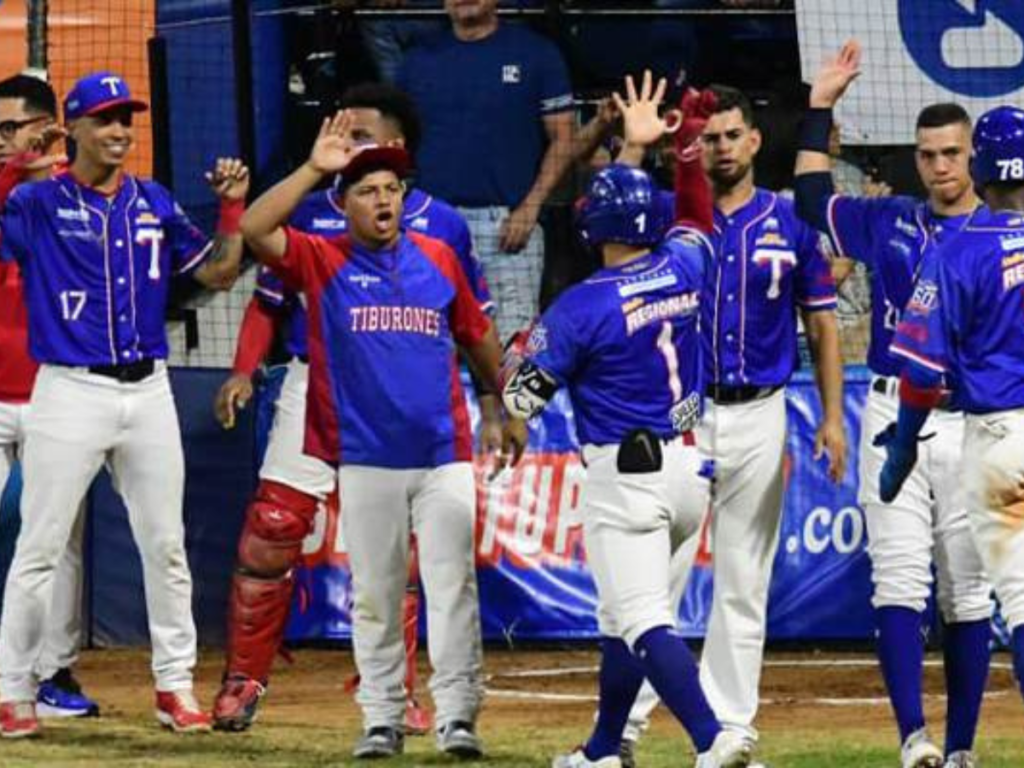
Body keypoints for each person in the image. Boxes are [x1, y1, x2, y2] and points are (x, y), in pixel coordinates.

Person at [210, 81, 498, 737]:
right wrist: (244, 369)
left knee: (404, 552)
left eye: (360, 132)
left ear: (396, 146)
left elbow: (473, 325)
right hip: (319, 384)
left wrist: (494, 398)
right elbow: (269, 299)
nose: (348, 141)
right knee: (275, 524)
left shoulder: (445, 225)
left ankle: (396, 693)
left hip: (407, 400)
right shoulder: (313, 214)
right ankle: (243, 680)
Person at [502, 72, 751, 768]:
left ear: (592, 226)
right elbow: (698, 220)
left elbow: (521, 398)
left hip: (628, 478)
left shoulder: (581, 305)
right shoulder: (683, 263)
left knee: (642, 619)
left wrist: (508, 354)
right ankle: (604, 750)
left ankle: (715, 738)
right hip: (687, 471)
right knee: (620, 619)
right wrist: (683, 149)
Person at [0, 70, 248, 738]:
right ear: (72, 128)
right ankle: (12, 691)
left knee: (166, 546)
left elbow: (220, 274)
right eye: (104, 119)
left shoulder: (155, 200)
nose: (118, 131)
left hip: (149, 389)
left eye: (125, 119)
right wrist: (16, 167)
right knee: (41, 546)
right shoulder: (40, 203)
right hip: (70, 387)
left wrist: (229, 209)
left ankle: (175, 687)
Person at [620, 82, 846, 767]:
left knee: (745, 577)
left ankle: (730, 728)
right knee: (655, 575)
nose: (718, 146)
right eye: (708, 137)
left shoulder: (793, 227)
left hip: (761, 411)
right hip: (683, 413)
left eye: (729, 135)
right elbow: (608, 213)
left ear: (753, 141)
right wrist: (636, 142)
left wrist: (833, 417)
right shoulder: (669, 216)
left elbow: (824, 325)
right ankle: (623, 726)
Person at [794, 42, 993, 768]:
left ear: (974, 157)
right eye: (928, 154)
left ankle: (965, 746)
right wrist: (819, 108)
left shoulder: (1006, 235)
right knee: (900, 579)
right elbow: (812, 200)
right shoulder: (892, 221)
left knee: (970, 593)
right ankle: (915, 740)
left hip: (974, 420)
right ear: (916, 160)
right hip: (887, 412)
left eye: (952, 153)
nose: (941, 165)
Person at [879, 104, 1024, 758]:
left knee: (1022, 611)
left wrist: (905, 441)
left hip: (999, 444)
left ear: (979, 167)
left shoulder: (958, 251)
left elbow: (920, 373)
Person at [0, 72, 100, 720]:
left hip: (58, 392)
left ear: (44, 128)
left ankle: (50, 673)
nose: (4, 142)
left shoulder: (84, 196)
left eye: (12, 129)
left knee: (57, 537)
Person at [397, 0, 575, 340]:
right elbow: (395, 140)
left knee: (512, 352)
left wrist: (531, 207)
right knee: (426, 346)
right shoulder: (416, 61)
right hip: (429, 226)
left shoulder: (536, 54)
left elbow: (564, 137)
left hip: (508, 227)